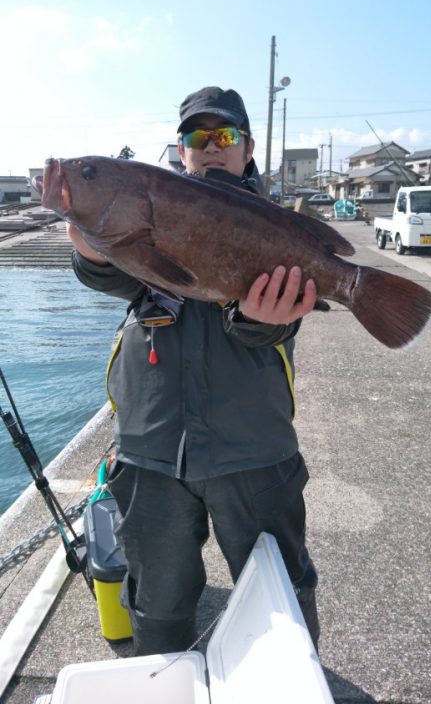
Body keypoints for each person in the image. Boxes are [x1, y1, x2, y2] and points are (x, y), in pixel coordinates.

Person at [67, 86, 320, 654]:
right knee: (156, 601)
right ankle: (163, 679)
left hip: (253, 448)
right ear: (180, 150)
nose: (210, 146)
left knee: (282, 596)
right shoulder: (149, 206)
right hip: (149, 448)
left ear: (247, 147)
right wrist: (93, 250)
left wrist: (262, 319)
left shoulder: (276, 224)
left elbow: (280, 326)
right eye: (195, 137)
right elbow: (114, 277)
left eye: (224, 135)